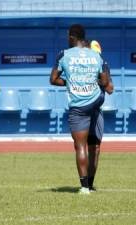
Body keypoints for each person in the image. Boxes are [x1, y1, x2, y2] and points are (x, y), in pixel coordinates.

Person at [50, 24, 111, 194]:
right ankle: (91, 184)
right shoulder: (96, 56)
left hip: (78, 107)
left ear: (71, 37)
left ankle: (84, 187)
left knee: (81, 146)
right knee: (94, 146)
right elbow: (106, 83)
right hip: (95, 103)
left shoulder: (64, 54)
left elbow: (53, 79)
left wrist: (70, 82)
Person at [87, 40, 114, 191]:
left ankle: (90, 184)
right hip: (82, 111)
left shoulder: (103, 65)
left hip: (97, 111)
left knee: (96, 148)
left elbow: (110, 89)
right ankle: (84, 183)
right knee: (82, 148)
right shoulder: (79, 67)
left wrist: (99, 80)